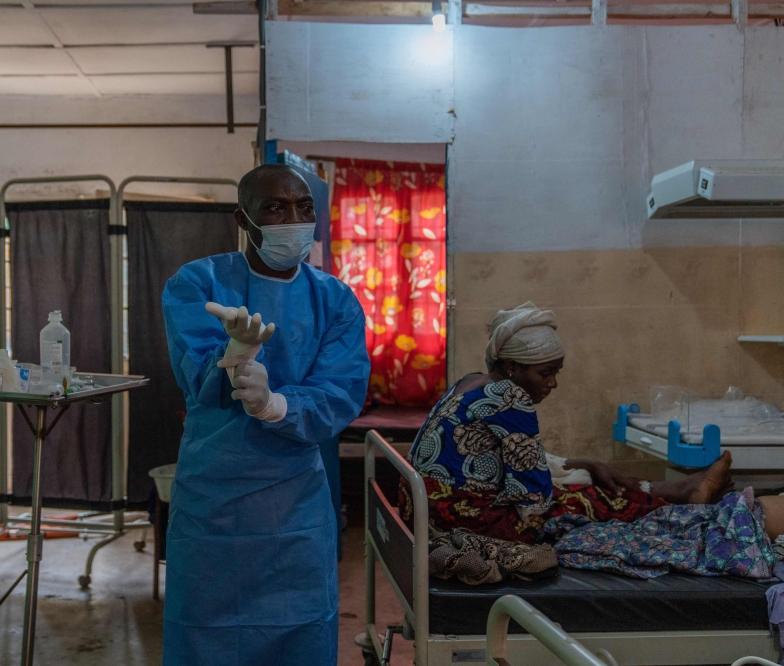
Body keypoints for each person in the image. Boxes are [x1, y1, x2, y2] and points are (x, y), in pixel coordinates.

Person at [161, 163, 370, 666]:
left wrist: (277, 404)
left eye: (303, 207)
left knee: (298, 630)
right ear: (244, 218)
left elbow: (340, 389)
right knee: (206, 632)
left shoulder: (335, 299)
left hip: (294, 501)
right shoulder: (198, 283)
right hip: (215, 499)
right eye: (275, 208)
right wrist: (231, 357)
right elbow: (197, 373)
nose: (292, 219)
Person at [401, 301, 743, 544]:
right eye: (545, 373)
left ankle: (679, 490)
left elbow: (503, 460)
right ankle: (681, 499)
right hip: (459, 517)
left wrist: (582, 465)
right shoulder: (511, 397)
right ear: (511, 368)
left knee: (583, 476)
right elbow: (533, 498)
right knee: (587, 500)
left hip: (423, 502)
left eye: (556, 372)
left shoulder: (470, 380)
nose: (552, 384)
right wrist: (578, 482)